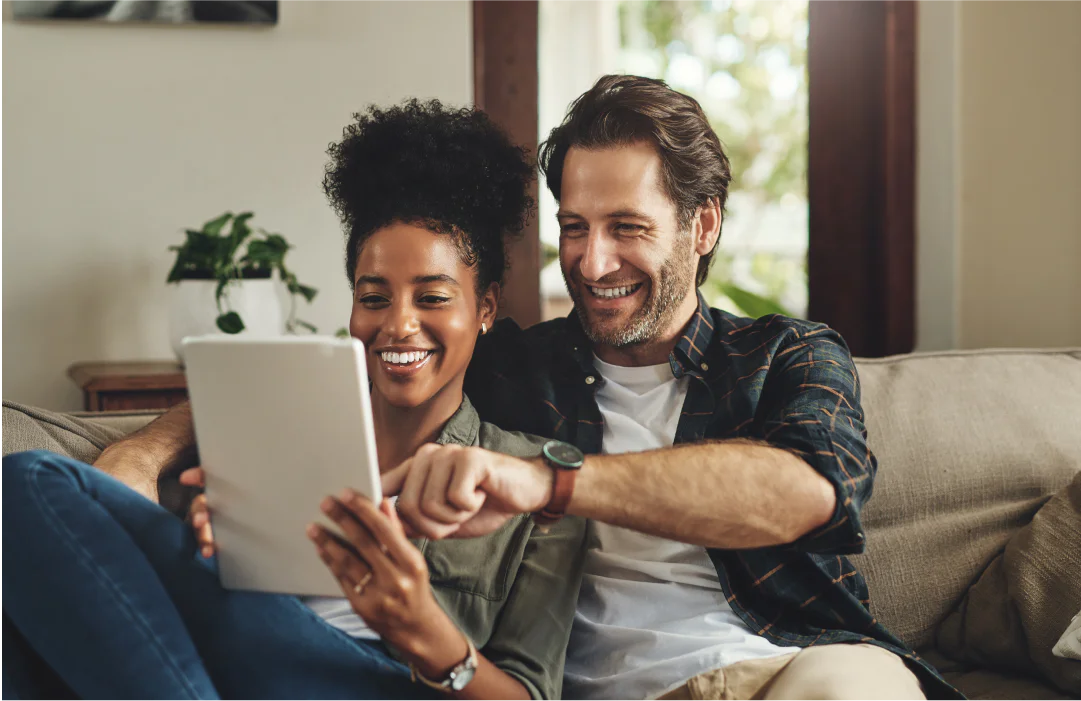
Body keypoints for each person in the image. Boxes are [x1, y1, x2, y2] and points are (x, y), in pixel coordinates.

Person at [85, 75, 962, 701]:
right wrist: (142, 452)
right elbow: (340, 361)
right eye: (573, 229)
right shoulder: (512, 362)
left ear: (702, 225)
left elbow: (797, 493)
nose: (592, 261)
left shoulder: (789, 355)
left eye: (626, 228)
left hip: (788, 669)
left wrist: (551, 482)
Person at [0, 100, 585, 701]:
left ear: (484, 308)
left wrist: (418, 625)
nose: (399, 325)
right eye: (374, 296)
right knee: (22, 529)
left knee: (33, 481)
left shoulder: (533, 483)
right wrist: (206, 539)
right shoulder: (283, 429)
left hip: (381, 679)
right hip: (234, 661)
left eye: (433, 297)